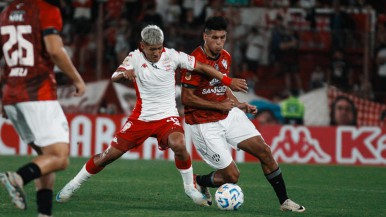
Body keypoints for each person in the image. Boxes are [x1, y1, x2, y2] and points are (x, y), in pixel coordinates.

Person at [56, 25, 248, 207]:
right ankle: (73, 184)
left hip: (167, 118)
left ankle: (190, 188)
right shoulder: (134, 57)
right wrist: (125, 73)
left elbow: (203, 67)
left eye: (159, 48)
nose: (156, 53)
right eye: (152, 49)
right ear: (142, 46)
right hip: (141, 118)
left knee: (179, 143)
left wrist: (227, 80)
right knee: (108, 156)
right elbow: (115, 76)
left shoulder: (172, 56)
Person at [181, 16, 305, 212]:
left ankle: (284, 201)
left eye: (222, 37)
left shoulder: (226, 57)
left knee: (264, 151)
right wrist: (218, 106)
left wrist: (238, 104)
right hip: (204, 124)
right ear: (205, 37)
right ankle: (200, 181)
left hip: (228, 116)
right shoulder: (193, 62)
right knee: (232, 176)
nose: (219, 42)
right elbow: (186, 99)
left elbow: (220, 86)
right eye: (214, 38)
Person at [0, 0, 86, 216]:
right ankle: (18, 177)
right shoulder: (46, 9)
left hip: (12, 94)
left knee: (45, 157)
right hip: (37, 93)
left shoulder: (6, 13)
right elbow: (54, 50)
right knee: (60, 157)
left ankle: (44, 213)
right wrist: (77, 79)